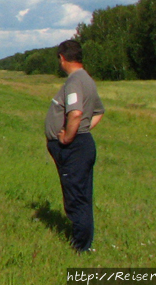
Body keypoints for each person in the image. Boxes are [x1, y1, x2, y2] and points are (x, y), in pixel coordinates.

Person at [45, 39, 104, 252]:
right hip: (81, 143)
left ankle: (80, 247)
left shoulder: (74, 81)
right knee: (81, 194)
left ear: (62, 58)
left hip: (73, 147)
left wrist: (69, 137)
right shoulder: (87, 79)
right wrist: (83, 130)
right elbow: (98, 112)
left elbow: (76, 113)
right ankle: (82, 242)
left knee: (76, 198)